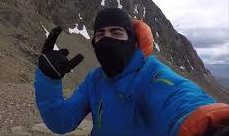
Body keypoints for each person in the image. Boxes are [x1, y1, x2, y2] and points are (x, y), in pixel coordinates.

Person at [35, 8, 229, 136]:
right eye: (100, 34)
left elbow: (183, 99)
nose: (107, 39)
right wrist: (49, 80)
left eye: (117, 33)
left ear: (133, 41)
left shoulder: (153, 75)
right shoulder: (95, 79)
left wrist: (211, 126)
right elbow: (61, 122)